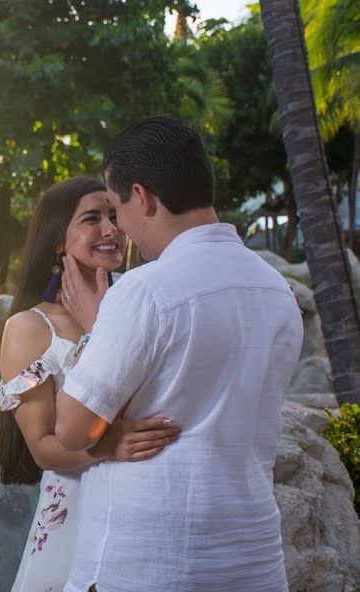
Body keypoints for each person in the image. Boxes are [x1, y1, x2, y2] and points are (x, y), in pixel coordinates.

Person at [53, 116, 303, 592]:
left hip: (149, 561)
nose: (119, 226)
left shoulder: (147, 290)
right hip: (252, 558)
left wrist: (95, 324)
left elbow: (72, 428)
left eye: (117, 207)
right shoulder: (278, 291)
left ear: (141, 198)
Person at [0, 177, 182, 592]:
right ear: (58, 240)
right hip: (71, 520)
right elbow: (41, 447)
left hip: (150, 514)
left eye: (114, 216)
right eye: (92, 219)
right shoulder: (29, 328)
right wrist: (109, 445)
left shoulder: (146, 303)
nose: (111, 229)